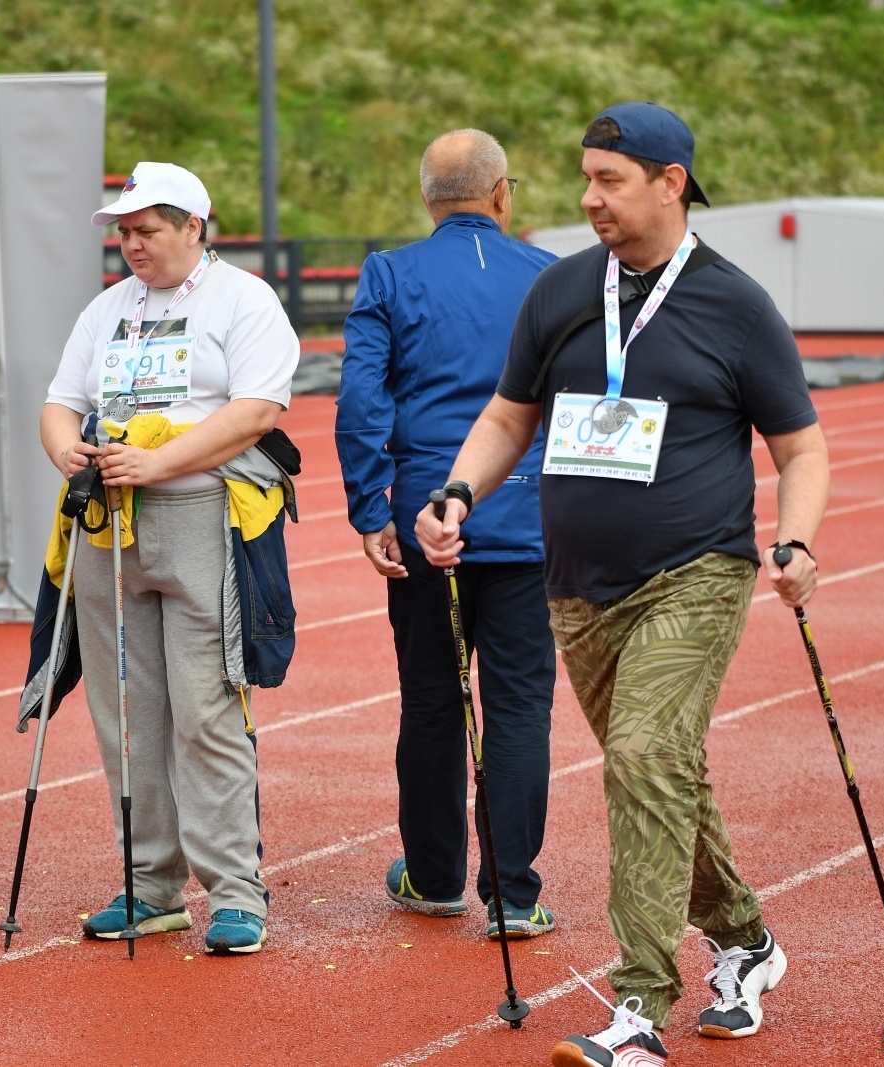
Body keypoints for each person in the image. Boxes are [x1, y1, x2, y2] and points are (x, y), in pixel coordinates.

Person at [415, 103, 830, 1066]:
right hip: (577, 587)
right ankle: (746, 941)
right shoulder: (561, 290)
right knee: (664, 772)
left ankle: (638, 1009)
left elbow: (801, 447)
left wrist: (796, 539)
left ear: (670, 181)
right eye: (587, 176)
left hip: (696, 573)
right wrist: (456, 492)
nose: (589, 196)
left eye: (610, 179)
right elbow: (508, 416)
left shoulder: (735, 304)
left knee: (642, 757)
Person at [41, 161, 300, 956]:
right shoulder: (108, 307)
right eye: (124, 231)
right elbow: (61, 402)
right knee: (127, 715)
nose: (132, 244)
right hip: (110, 520)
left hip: (200, 514)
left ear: (196, 225)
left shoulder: (245, 299)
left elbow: (257, 410)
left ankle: (235, 890)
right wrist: (67, 452)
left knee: (207, 706)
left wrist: (163, 461)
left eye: (147, 229)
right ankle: (151, 884)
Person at [336, 129, 559, 941]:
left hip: (429, 521)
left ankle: (433, 876)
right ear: (504, 195)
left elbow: (360, 398)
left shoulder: (390, 273)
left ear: (428, 200)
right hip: (531, 521)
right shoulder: (550, 277)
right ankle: (514, 892)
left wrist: (371, 509)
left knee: (431, 697)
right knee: (521, 707)